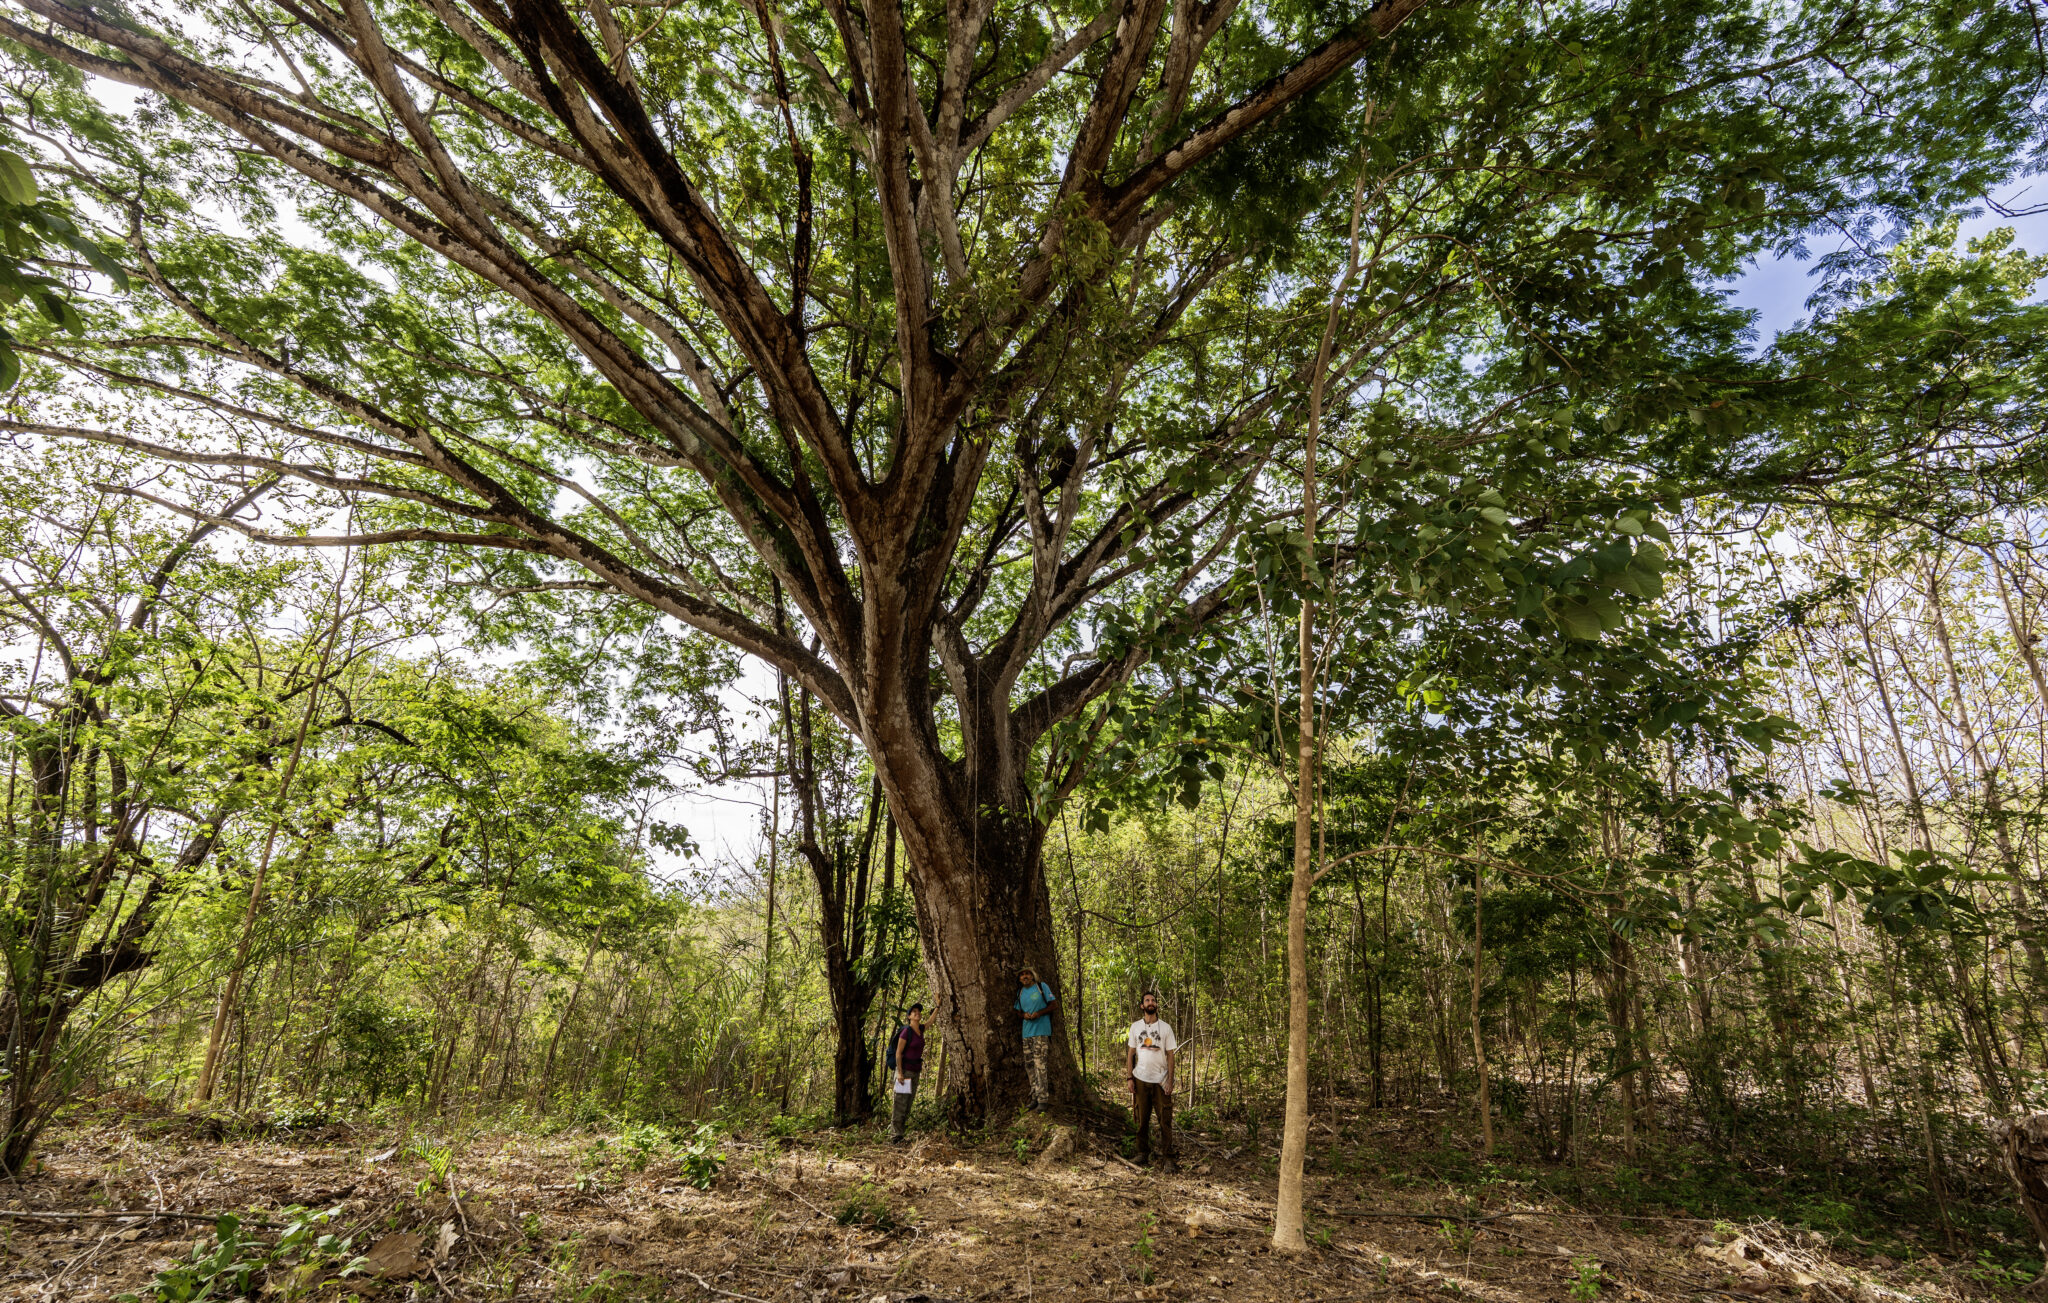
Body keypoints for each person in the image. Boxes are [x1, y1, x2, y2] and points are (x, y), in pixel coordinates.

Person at [1125, 991, 1178, 1170]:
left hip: (1160, 1080)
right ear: (1142, 1006)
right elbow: (1131, 1053)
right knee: (1141, 1118)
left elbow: (1170, 1056)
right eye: (1147, 1000)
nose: (1151, 1002)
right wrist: (1129, 1077)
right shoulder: (1135, 1027)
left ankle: (1168, 1157)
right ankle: (1142, 1153)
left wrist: (1170, 1080)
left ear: (1156, 1005)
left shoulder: (1166, 1028)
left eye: (1153, 1000)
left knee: (1165, 1118)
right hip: (1140, 1078)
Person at [1014, 967, 1057, 1111]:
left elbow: (1053, 1004)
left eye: (1027, 973)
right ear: (1019, 978)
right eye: (1022, 975)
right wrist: (1023, 1015)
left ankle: (1043, 1100)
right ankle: (1035, 1097)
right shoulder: (1020, 992)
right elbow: (1018, 1011)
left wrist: (1039, 1013)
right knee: (1030, 1066)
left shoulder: (1041, 987)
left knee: (1040, 1065)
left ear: (1033, 976)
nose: (1025, 976)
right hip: (1026, 1033)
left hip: (1041, 1031)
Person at [887, 1003, 925, 1143]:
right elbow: (898, 1053)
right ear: (909, 1016)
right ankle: (895, 1135)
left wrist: (938, 1007)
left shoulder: (920, 1030)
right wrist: (901, 1074)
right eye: (914, 1012)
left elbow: (931, 1021)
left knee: (908, 1103)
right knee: (900, 1103)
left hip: (915, 1071)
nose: (917, 1014)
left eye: (919, 1012)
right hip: (905, 1071)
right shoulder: (906, 1032)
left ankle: (901, 1133)